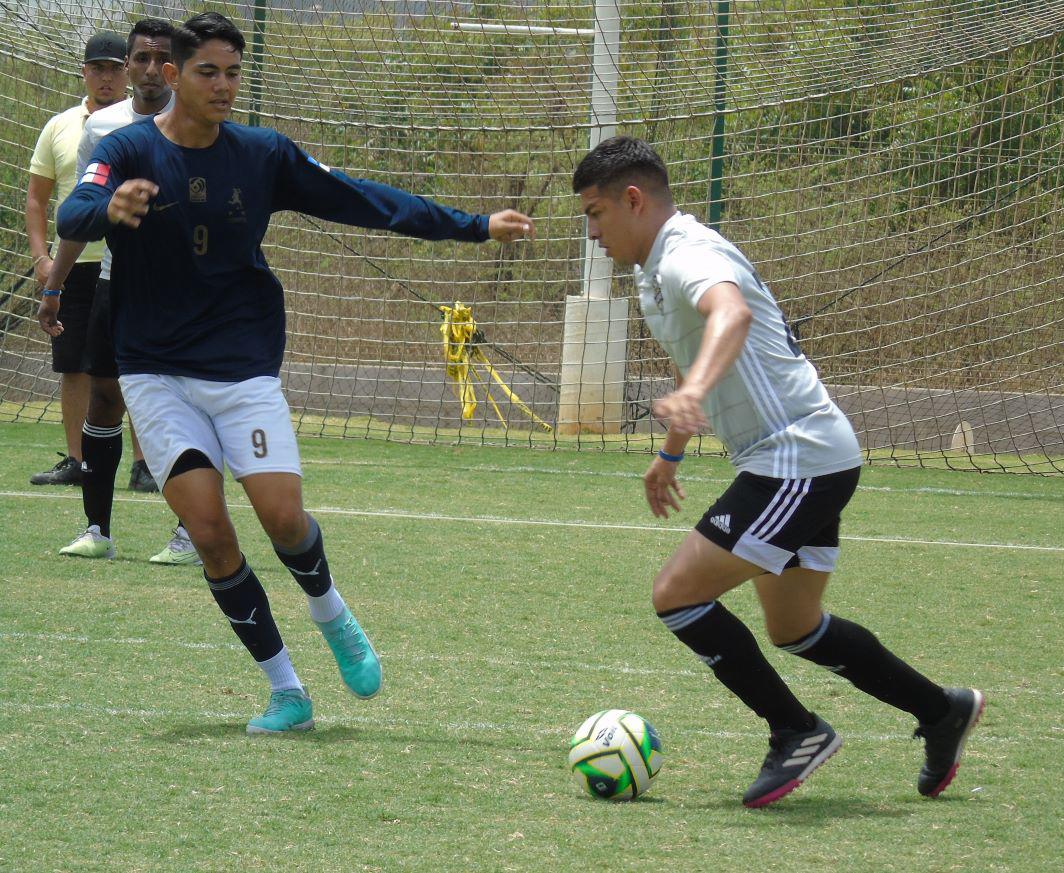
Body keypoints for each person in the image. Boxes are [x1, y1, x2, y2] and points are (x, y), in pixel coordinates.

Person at [54, 12, 535, 734]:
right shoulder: (127, 147)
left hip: (241, 367)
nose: (223, 86)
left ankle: (331, 612)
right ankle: (287, 691)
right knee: (210, 531)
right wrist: (109, 209)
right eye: (208, 72)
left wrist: (472, 225)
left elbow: (366, 200)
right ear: (175, 76)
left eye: (233, 73)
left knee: (282, 519)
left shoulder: (262, 154)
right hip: (155, 372)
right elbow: (75, 208)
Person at [572, 136, 983, 807]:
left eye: (595, 214)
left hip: (795, 458)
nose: (592, 233)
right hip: (812, 456)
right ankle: (942, 709)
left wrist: (692, 395)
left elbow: (731, 314)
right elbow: (699, 355)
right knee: (795, 626)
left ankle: (796, 730)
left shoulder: (688, 253)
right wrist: (671, 451)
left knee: (676, 594)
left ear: (634, 200)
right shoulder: (654, 272)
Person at [41, 18, 198, 565]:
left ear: (176, 68)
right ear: (129, 67)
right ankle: (96, 530)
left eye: (162, 59)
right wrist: (55, 285)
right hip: (117, 283)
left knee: (184, 406)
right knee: (105, 398)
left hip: (184, 291)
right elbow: (80, 215)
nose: (151, 69)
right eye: (142, 58)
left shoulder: (198, 122)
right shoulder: (103, 128)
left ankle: (191, 534)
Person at [26, 31, 127, 485]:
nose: (106, 77)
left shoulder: (149, 123)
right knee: (73, 365)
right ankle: (77, 461)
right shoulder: (60, 126)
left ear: (127, 72)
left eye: (114, 69)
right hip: (73, 266)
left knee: (136, 366)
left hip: (128, 263)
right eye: (98, 68)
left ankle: (146, 466)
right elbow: (36, 199)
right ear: (84, 72)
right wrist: (41, 259)